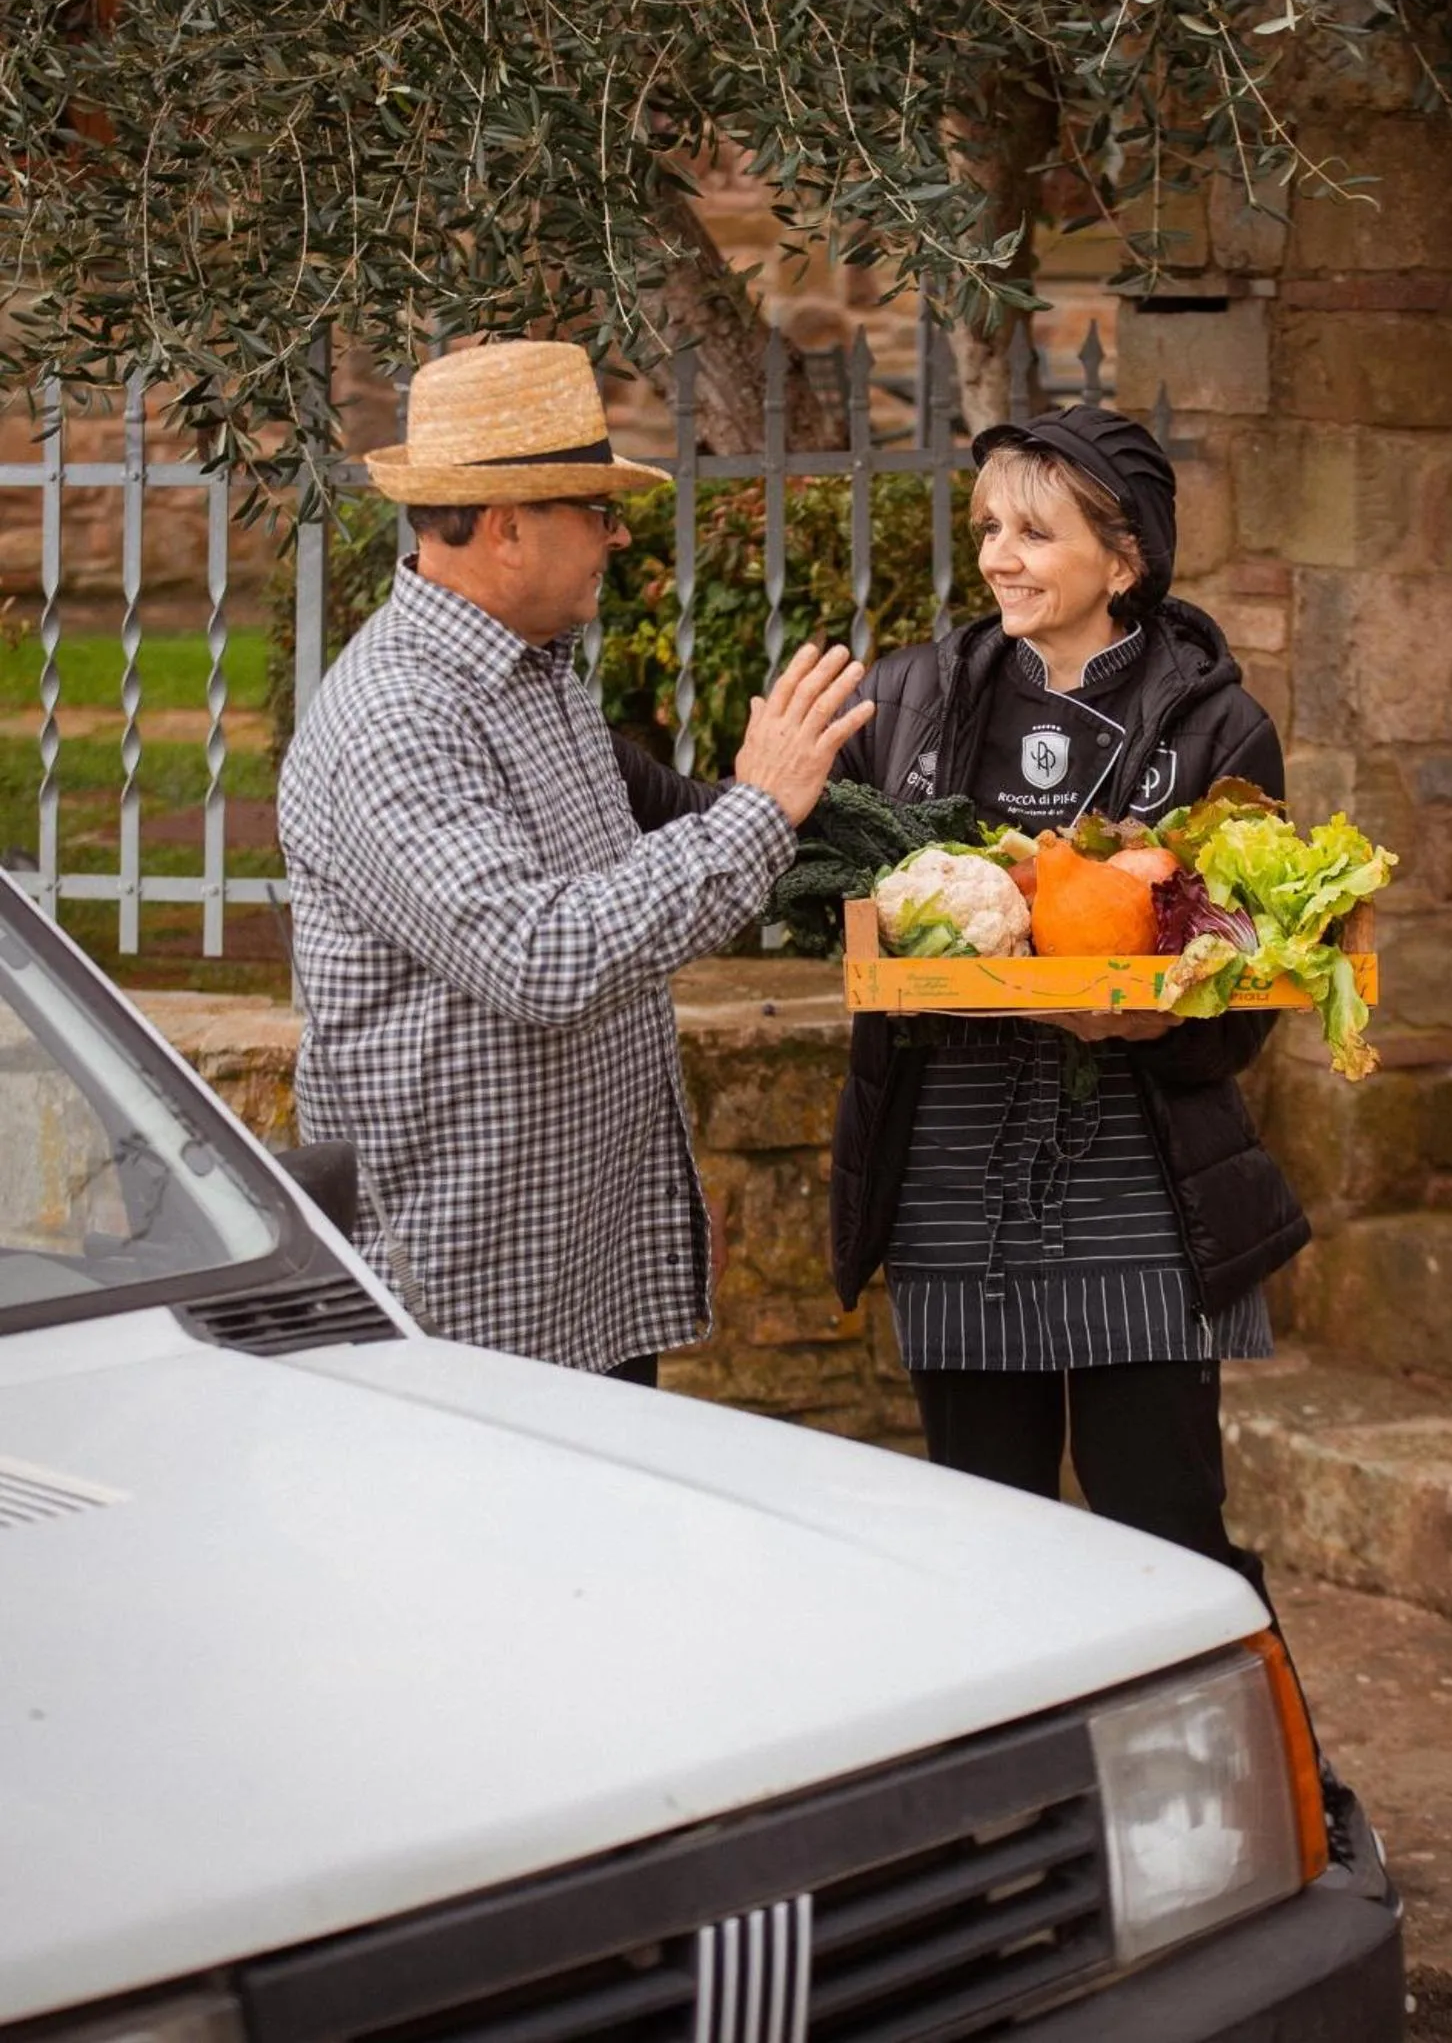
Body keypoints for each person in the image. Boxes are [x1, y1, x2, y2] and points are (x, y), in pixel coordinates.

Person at [278, 339, 871, 1382]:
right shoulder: (399, 718)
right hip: (468, 1318)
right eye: (595, 509)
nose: (617, 532)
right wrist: (762, 805)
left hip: (580, 1280)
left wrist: (654, 1206)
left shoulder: (534, 676)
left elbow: (614, 922)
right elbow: (543, 957)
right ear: (508, 528)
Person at [827, 404, 1308, 1603]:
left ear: (1126, 556)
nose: (998, 555)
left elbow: (1255, 989)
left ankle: (1251, 1790)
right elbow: (785, 846)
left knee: (1170, 1540)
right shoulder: (912, 703)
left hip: (1139, 1190)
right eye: (990, 526)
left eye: (1035, 532)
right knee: (986, 1554)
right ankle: (1030, 1797)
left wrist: (1167, 1016)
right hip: (955, 1184)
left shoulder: (1218, 725)